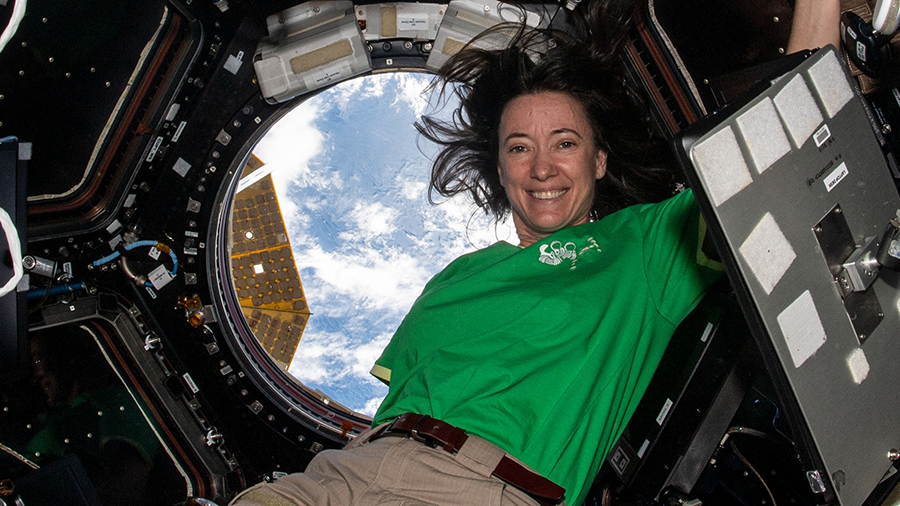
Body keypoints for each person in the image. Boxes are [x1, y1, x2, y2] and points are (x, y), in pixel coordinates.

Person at [230, 2, 840, 505]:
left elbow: (778, 131)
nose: (542, 166)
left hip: (492, 489)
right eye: (519, 148)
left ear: (599, 162)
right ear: (501, 169)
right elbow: (402, 405)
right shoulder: (454, 279)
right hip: (339, 480)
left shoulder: (646, 246)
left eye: (565, 143)